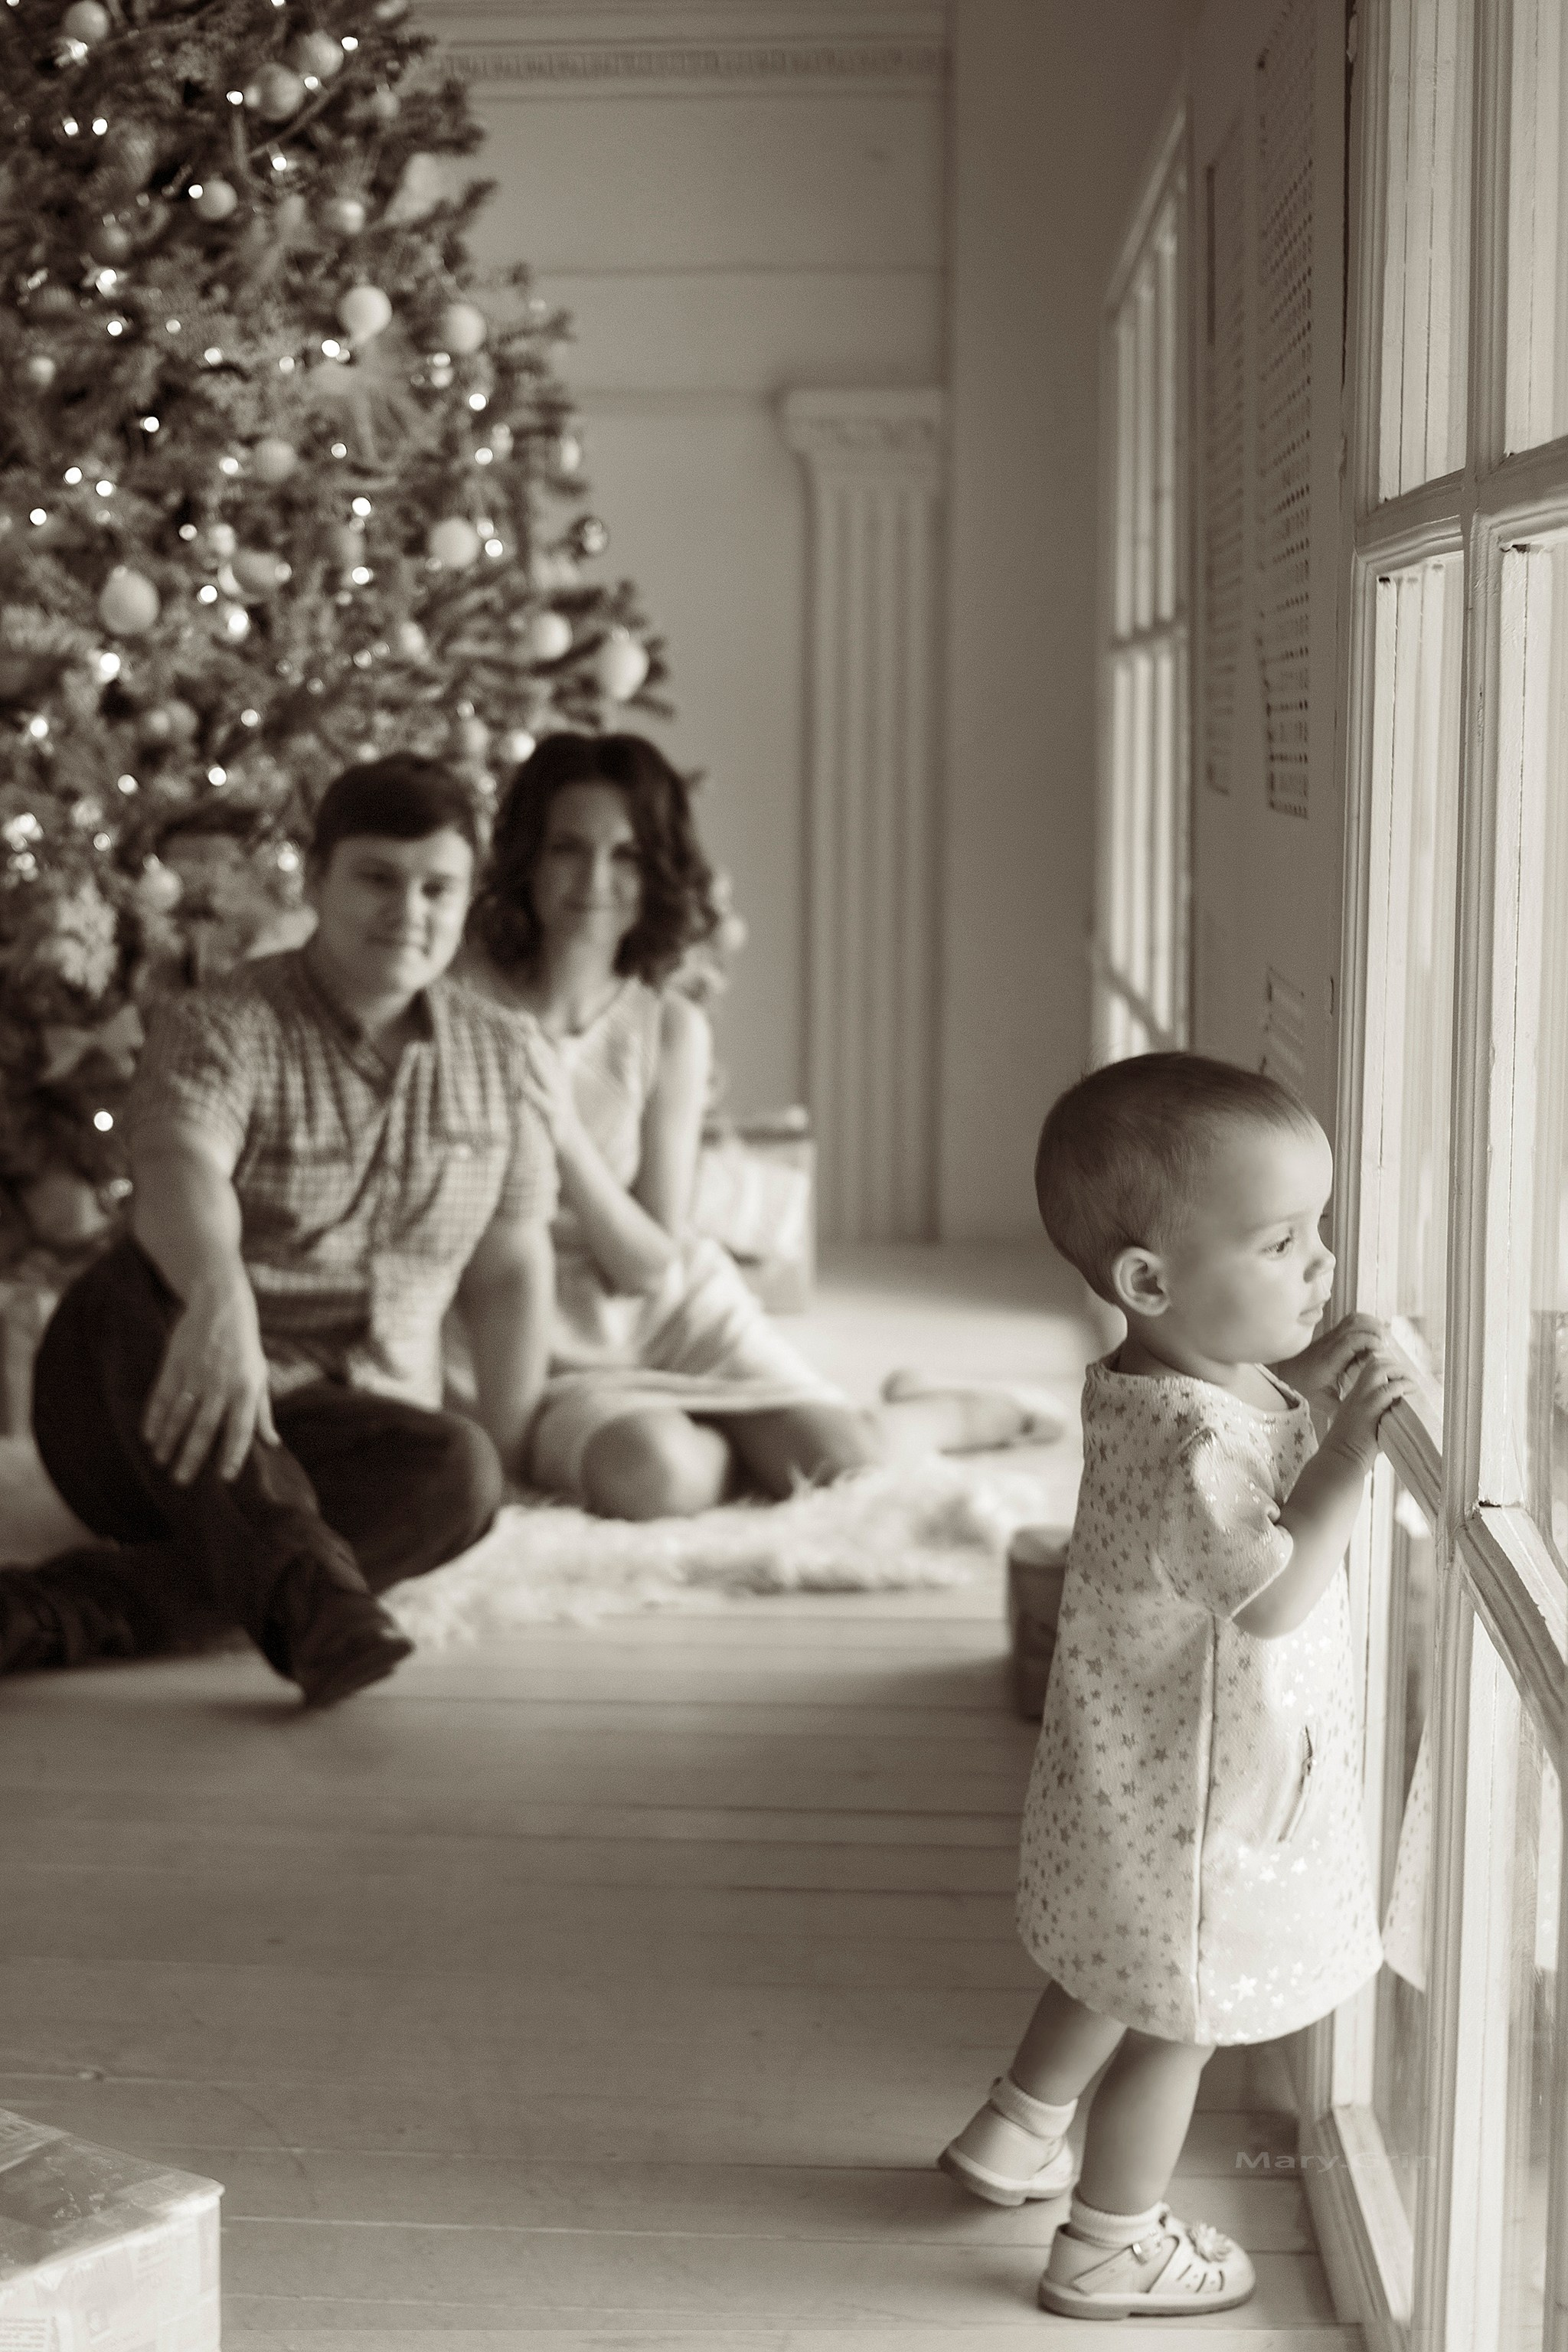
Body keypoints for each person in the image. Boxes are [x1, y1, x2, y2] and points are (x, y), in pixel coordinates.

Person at [937, 1051, 1410, 2320]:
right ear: (1151, 1280)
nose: (1317, 1264)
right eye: (1279, 1242)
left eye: (1315, 1230)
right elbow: (1270, 1590)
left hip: (1131, 1780)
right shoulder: (1193, 1441)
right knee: (1176, 2018)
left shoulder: (1158, 1383)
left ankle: (1014, 2130)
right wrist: (1351, 1456)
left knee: (1110, 1959)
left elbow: (1253, 1411)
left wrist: (1312, 1384)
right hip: (1197, 1797)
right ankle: (1108, 2237)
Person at [0, 757, 555, 1707]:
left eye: (438, 888)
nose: (409, 910)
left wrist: (510, 1458)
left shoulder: (503, 1056)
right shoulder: (224, 1022)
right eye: (377, 877)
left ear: (468, 897)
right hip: (151, 1409)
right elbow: (178, 1165)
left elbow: (508, 1269)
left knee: (461, 1474)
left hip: (335, 1431)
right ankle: (308, 1589)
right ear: (315, 878)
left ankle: (66, 1610)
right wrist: (220, 1298)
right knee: (138, 1286)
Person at [458, 731, 1060, 1518]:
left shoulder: (667, 1026)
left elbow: (646, 1261)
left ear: (657, 871)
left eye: (627, 856)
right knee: (653, 1478)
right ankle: (716, 1446)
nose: (594, 881)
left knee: (845, 1461)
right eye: (567, 848)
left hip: (674, 1315)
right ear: (528, 857)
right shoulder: (464, 999)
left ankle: (945, 1411)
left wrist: (558, 1126)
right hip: (530, 1329)